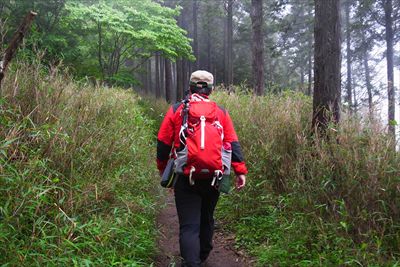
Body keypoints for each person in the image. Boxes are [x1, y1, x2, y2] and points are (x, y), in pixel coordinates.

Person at [156, 70, 248, 267]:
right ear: (211, 89)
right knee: (207, 218)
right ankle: (203, 256)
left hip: (184, 176)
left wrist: (163, 169)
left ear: (190, 86)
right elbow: (232, 142)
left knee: (189, 225)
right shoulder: (220, 112)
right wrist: (240, 171)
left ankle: (192, 262)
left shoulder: (176, 110)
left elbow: (163, 143)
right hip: (214, 177)